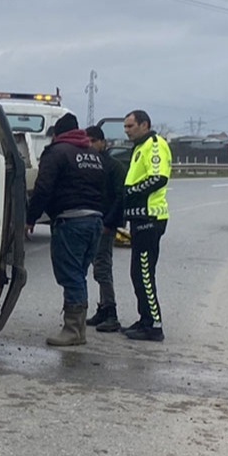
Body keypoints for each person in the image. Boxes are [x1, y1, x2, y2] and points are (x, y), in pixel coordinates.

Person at [26, 112, 108, 346]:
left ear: (58, 134)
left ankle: (73, 329)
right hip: (95, 221)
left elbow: (43, 189)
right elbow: (104, 189)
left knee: (71, 275)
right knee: (79, 274)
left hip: (70, 221)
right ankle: (79, 329)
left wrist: (31, 218)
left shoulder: (57, 152)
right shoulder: (94, 155)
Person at [108, 110, 171, 342]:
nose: (126, 130)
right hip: (139, 218)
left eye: (130, 126)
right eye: (125, 126)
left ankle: (154, 325)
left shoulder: (154, 144)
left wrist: (129, 193)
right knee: (137, 273)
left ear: (144, 125)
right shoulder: (139, 147)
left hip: (150, 218)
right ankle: (144, 319)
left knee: (144, 273)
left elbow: (158, 177)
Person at [84, 125, 126, 332]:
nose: (90, 145)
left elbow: (120, 197)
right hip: (92, 220)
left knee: (102, 267)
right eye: (87, 141)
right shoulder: (89, 163)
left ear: (102, 142)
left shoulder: (113, 166)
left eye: (93, 141)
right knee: (96, 266)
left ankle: (111, 312)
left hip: (105, 224)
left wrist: (109, 223)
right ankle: (103, 308)